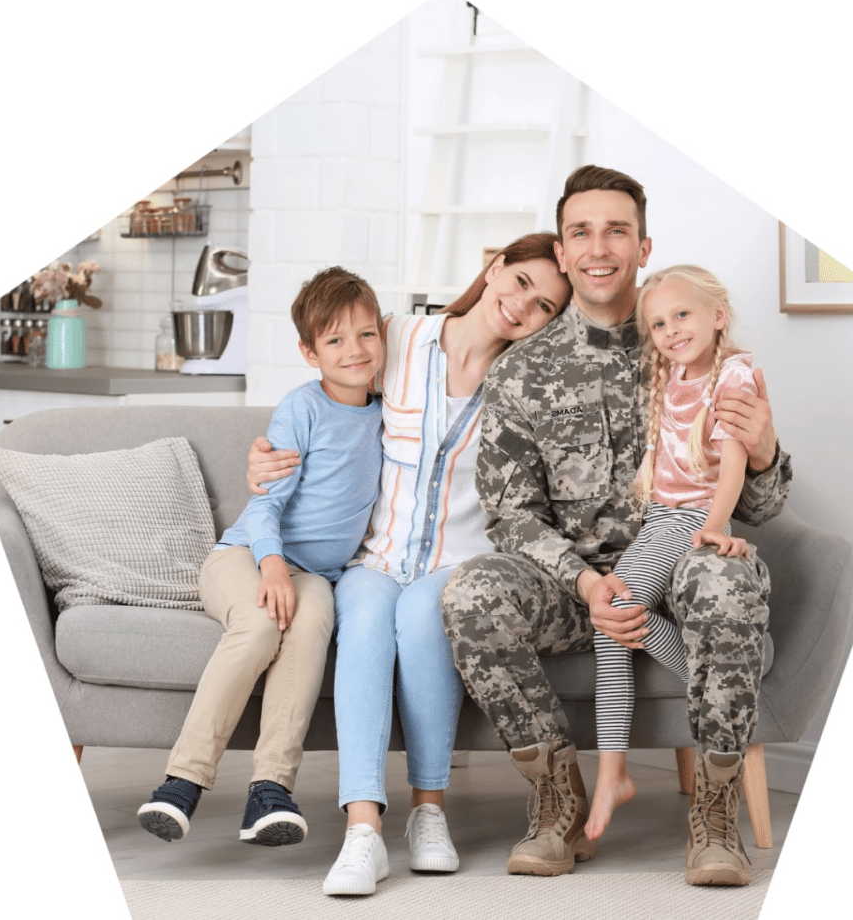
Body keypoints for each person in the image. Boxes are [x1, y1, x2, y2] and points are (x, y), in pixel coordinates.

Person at [439, 165, 791, 886]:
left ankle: (716, 815)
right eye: (581, 232)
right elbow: (512, 513)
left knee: (726, 580)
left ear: (643, 244)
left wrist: (763, 456)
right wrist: (588, 581)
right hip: (577, 590)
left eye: (617, 230)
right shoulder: (523, 370)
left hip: (683, 567)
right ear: (563, 253)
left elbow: (758, 508)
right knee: (471, 593)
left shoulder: (685, 339)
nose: (599, 247)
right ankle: (556, 796)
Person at [246, 232, 572, 896]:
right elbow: (327, 399)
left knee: (425, 617)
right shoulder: (397, 336)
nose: (521, 307)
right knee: (364, 617)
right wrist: (268, 459)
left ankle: (429, 812)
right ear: (493, 267)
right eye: (519, 283)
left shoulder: (525, 388)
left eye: (543, 306)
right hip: (376, 556)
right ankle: (362, 830)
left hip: (459, 565)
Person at [136, 267, 385, 850]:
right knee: (256, 630)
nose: (355, 350)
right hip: (247, 553)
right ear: (308, 351)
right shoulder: (301, 409)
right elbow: (267, 503)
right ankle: (182, 781)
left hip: (318, 575)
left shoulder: (390, 410)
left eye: (367, 334)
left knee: (307, 632)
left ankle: (270, 791)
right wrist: (272, 565)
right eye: (335, 340)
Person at [586, 264, 757, 844]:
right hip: (659, 519)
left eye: (682, 314)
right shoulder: (673, 371)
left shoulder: (734, 373)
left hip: (688, 523)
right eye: (658, 323)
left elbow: (732, 463)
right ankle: (722, 682)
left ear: (717, 313)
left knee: (612, 611)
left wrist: (712, 527)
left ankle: (613, 773)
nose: (670, 329)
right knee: (615, 616)